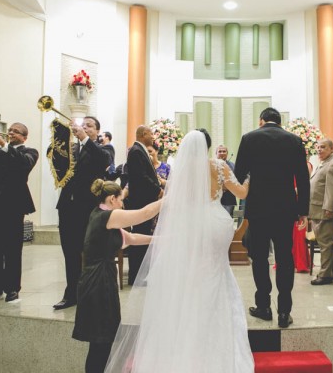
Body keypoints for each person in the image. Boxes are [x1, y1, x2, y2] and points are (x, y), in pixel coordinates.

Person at [105, 129, 253, 372]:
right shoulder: (219, 166)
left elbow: (172, 202)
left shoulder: (180, 171)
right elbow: (242, 193)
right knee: (216, 269)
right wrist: (249, 176)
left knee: (190, 271)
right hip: (216, 223)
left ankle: (186, 325)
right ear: (208, 145)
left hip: (189, 223)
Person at [72, 179, 161, 373]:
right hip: (97, 283)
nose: (123, 204)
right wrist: (169, 198)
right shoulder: (107, 216)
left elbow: (131, 238)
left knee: (102, 342)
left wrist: (161, 240)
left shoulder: (100, 215)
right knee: (100, 342)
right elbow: (144, 214)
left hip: (99, 281)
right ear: (112, 199)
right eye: (121, 200)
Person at [234, 107, 310, 328]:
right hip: (285, 209)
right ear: (279, 121)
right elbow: (303, 179)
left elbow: (239, 174)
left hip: (258, 208)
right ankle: (284, 312)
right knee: (284, 258)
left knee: (259, 258)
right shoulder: (294, 141)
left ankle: (264, 307)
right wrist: (303, 211)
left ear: (261, 121)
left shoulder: (249, 138)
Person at [0, 123, 38, 302]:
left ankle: (12, 288)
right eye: (10, 130)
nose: (11, 133)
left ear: (24, 137)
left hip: (14, 207)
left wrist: (3, 144)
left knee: (12, 249)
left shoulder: (30, 152)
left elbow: (23, 164)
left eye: (15, 132)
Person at [54, 116, 111, 310]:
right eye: (82, 125)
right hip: (67, 206)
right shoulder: (73, 149)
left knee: (89, 252)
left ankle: (90, 293)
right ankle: (71, 293)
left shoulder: (104, 148)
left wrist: (85, 138)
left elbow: (103, 161)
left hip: (87, 208)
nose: (84, 128)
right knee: (69, 252)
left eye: (89, 126)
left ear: (97, 131)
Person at [125, 125, 163, 285]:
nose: (153, 136)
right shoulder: (136, 151)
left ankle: (141, 275)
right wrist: (158, 191)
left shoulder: (140, 150)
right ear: (142, 134)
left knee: (143, 237)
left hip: (144, 200)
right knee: (139, 239)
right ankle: (136, 276)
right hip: (141, 201)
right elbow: (141, 177)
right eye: (150, 133)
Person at [309, 138, 333, 285]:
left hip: (324, 211)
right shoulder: (323, 163)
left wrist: (329, 209)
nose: (319, 150)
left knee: (325, 244)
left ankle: (325, 275)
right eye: (317, 147)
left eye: (323, 147)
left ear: (331, 148)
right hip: (317, 209)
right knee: (326, 243)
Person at [216, 144, 237, 217]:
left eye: (224, 151)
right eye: (220, 151)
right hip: (216, 199)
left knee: (228, 220)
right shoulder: (212, 165)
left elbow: (235, 180)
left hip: (229, 199)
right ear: (216, 153)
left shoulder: (232, 165)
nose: (222, 153)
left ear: (227, 153)